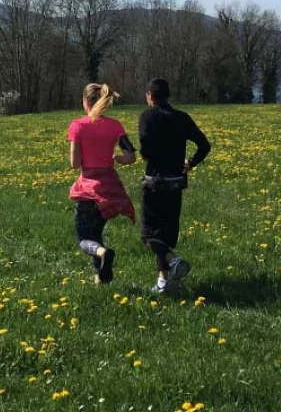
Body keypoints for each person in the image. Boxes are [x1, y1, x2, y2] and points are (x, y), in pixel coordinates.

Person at [138, 78, 211, 294]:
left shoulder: (146, 117)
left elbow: (145, 150)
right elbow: (204, 145)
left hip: (154, 183)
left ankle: (174, 261)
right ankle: (163, 283)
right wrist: (190, 163)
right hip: (176, 183)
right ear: (168, 95)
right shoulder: (182, 118)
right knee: (166, 235)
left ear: (150, 95)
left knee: (148, 235)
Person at [68, 83, 137, 284]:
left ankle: (102, 253)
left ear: (86, 102)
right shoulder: (116, 126)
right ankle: (101, 279)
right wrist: (118, 159)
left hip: (89, 187)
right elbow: (131, 156)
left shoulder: (78, 126)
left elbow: (74, 164)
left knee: (84, 240)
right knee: (96, 233)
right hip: (110, 187)